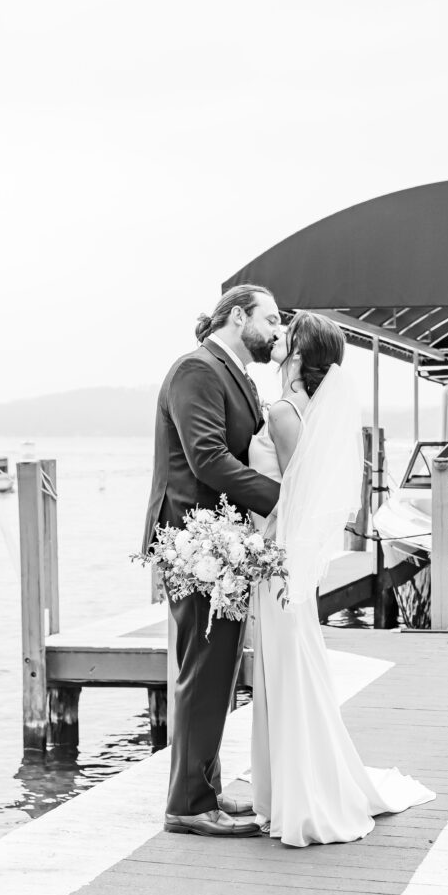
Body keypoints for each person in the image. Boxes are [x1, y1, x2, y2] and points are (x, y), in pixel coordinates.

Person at [249, 311, 435, 846]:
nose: (277, 338)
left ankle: (302, 799)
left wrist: (258, 546)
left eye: (286, 336)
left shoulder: (285, 411)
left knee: (289, 676)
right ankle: (287, 788)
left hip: (278, 563)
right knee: (291, 673)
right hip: (287, 565)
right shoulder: (305, 409)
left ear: (300, 357)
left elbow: (293, 498)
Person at [142, 284, 282, 838]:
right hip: (196, 543)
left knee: (218, 671)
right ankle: (189, 805)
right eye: (269, 319)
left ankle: (207, 788)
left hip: (223, 543)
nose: (276, 331)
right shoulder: (196, 371)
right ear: (238, 315)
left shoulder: (238, 376)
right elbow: (206, 457)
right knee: (204, 672)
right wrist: (281, 501)